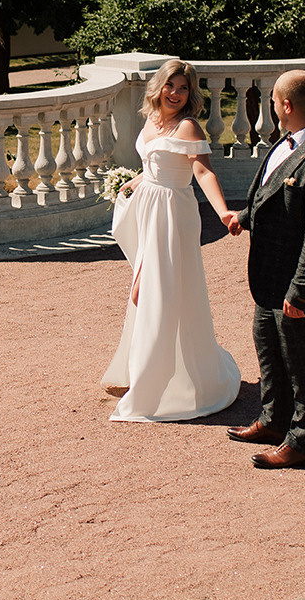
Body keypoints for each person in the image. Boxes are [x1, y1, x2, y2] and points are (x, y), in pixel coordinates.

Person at [100, 59, 243, 422]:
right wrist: (133, 181)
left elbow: (202, 170)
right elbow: (154, 163)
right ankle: (150, 370)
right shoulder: (152, 120)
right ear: (159, 87)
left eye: (183, 88)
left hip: (173, 215)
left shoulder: (189, 127)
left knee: (154, 290)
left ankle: (161, 382)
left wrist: (224, 212)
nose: (176, 94)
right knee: (148, 289)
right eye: (171, 86)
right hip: (149, 208)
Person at [223, 70, 305, 468]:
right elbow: (272, 190)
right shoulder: (290, 140)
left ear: (287, 106)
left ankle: (302, 443)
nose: (272, 108)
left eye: (274, 102)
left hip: (298, 283)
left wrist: (301, 293)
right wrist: (245, 216)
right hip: (269, 276)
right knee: (269, 347)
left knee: (303, 361)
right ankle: (274, 421)